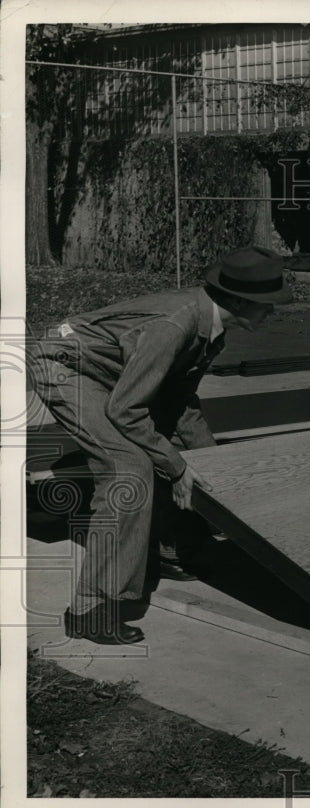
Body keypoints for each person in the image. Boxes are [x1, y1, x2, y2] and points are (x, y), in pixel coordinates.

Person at [30, 246, 292, 644]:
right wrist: (177, 467)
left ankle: (169, 550)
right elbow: (127, 411)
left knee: (177, 456)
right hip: (64, 365)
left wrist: (213, 468)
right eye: (267, 304)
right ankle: (90, 609)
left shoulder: (212, 327)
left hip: (109, 371)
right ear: (239, 301)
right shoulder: (175, 326)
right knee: (128, 469)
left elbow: (180, 406)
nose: (273, 311)